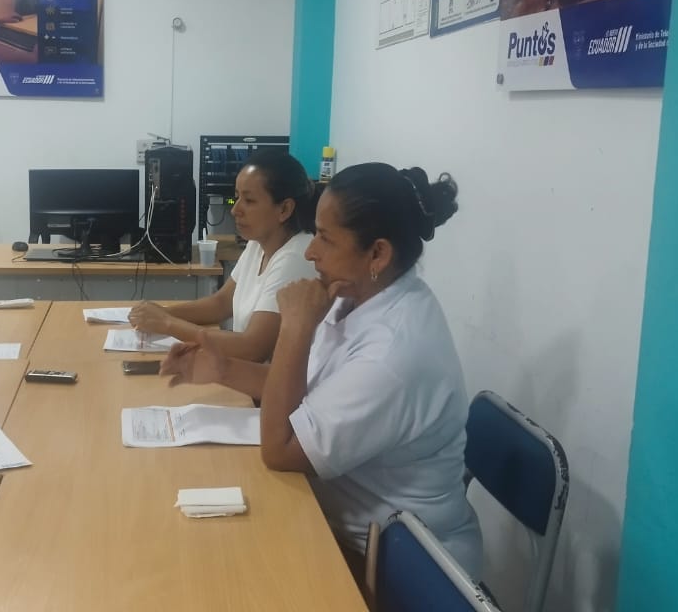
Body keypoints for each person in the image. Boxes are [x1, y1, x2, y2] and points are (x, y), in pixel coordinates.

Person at [159, 162, 482, 581]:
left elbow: (280, 451)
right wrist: (223, 368)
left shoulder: (393, 354)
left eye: (325, 238)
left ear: (378, 254)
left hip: (398, 570)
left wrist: (295, 328)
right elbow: (299, 390)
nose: (310, 252)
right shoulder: (355, 295)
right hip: (334, 521)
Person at [129, 150, 318, 362]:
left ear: (284, 209)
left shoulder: (296, 258)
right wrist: (162, 313)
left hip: (261, 380)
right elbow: (221, 303)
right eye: (237, 197)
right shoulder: (258, 244)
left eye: (249, 200)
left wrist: (167, 323)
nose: (235, 210)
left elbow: (253, 348)